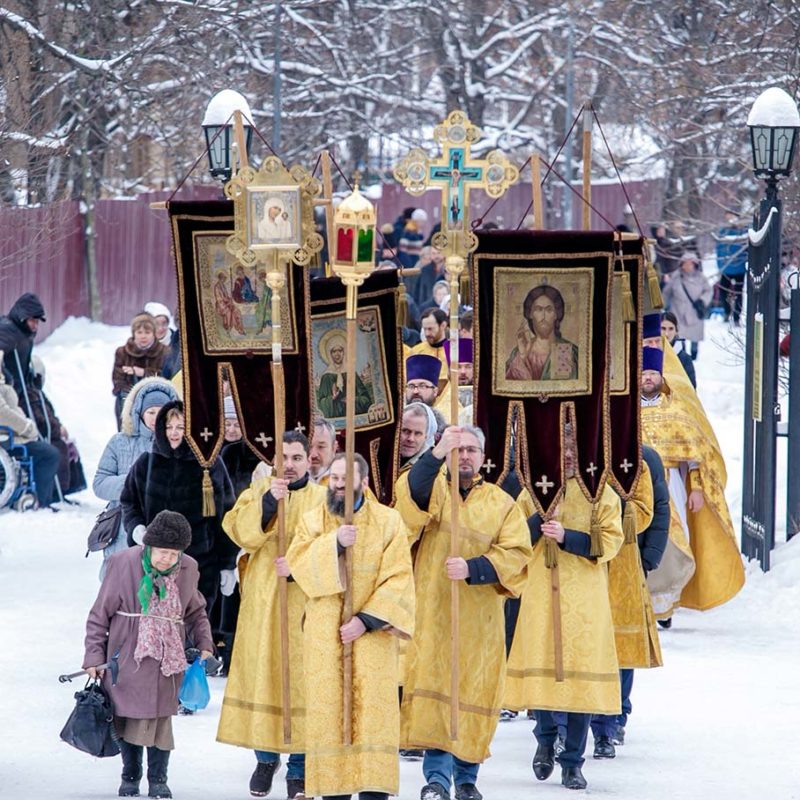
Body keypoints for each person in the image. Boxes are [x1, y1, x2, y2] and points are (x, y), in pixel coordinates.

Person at [394, 425, 531, 800]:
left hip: (480, 619)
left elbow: (519, 554)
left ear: (484, 457)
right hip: (434, 612)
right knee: (437, 692)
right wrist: (437, 453)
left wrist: (476, 568)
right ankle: (436, 778)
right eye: (459, 450)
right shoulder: (436, 489)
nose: (465, 457)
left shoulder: (503, 503)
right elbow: (410, 499)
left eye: (472, 450)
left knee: (473, 693)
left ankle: (467, 777)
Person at [286, 452, 415, 800]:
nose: (339, 484)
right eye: (335, 477)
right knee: (330, 717)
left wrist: (366, 620)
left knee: (373, 717)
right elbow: (297, 562)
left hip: (373, 637)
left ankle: (374, 791)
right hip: (325, 637)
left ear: (365, 481)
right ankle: (333, 791)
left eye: (347, 477)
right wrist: (334, 545)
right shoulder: (314, 520)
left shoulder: (389, 522)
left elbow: (400, 578)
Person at [504, 424, 624, 791]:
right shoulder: (535, 488)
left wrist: (568, 537)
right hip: (541, 589)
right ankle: (544, 741)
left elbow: (611, 541)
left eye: (573, 447)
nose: (568, 454)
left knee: (580, 679)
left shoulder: (600, 492)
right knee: (543, 669)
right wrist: (536, 524)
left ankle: (573, 760)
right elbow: (512, 538)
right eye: (562, 447)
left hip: (584, 595)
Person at [217, 431, 327, 800]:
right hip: (264, 601)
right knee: (264, 674)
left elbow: (333, 549)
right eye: (285, 457)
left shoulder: (324, 498)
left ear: (309, 459)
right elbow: (235, 528)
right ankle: (265, 758)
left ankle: (299, 765)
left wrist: (300, 567)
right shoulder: (260, 488)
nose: (291, 464)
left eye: (298, 457)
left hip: (305, 602)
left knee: (303, 680)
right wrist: (267, 504)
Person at [83, 510, 214, 799]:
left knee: (160, 720)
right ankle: (130, 775)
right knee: (126, 717)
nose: (168, 560)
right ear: (148, 547)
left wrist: (205, 642)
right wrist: (93, 656)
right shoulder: (123, 563)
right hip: (127, 653)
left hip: (167, 658)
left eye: (174, 554)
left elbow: (195, 610)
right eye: (162, 553)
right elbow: (98, 615)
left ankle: (158, 779)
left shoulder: (188, 569)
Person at [640, 346, 744, 622]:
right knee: (644, 539)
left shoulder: (677, 409)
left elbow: (695, 457)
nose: (648, 378)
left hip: (672, 483)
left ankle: (667, 604)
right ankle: (644, 601)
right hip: (640, 484)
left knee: (676, 541)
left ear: (661, 377)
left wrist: (696, 488)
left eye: (652, 373)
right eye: (643, 374)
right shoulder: (627, 412)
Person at [120, 400, 237, 613]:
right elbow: (129, 502)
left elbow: (226, 516)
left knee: (194, 632)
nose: (174, 433)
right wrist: (135, 527)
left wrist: (228, 563)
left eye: (181, 427)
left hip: (200, 565)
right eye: (168, 427)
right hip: (153, 565)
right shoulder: (146, 463)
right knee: (154, 632)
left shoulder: (210, 465)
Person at [589, 445, 669, 758]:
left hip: (625, 561)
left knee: (620, 643)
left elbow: (657, 509)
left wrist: (648, 558)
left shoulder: (641, 458)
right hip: (583, 560)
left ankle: (612, 720)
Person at [93, 378, 177, 577]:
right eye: (151, 412)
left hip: (165, 530)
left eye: (162, 411)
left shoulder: (179, 445)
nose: (157, 418)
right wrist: (132, 483)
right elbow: (100, 483)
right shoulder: (119, 442)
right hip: (124, 530)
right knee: (121, 590)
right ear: (139, 411)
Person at [0, 350, 60, 509]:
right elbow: (3, 413)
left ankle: (43, 498)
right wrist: (27, 427)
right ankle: (41, 501)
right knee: (50, 454)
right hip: (8, 437)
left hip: (12, 434)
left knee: (52, 450)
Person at [28, 354, 86, 497]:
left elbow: (50, 414)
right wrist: (56, 430)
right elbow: (39, 420)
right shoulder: (30, 395)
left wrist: (58, 425)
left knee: (69, 446)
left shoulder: (38, 394)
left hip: (50, 430)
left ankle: (66, 489)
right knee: (59, 447)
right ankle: (55, 491)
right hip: (42, 433)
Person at [505, 284, 578, 381]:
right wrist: (522, 357)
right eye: (538, 309)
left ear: (556, 314)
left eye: (549, 310)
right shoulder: (518, 352)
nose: (543, 316)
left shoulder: (566, 349)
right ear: (530, 314)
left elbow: (562, 390)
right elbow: (508, 386)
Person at [112, 312, 168, 430]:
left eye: (147, 332)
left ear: (154, 333)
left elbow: (167, 377)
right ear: (134, 334)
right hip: (128, 403)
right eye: (139, 332)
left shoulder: (164, 352)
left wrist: (143, 373)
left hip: (157, 402)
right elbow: (117, 380)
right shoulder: (122, 352)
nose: (143, 336)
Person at [660, 251, 712, 360]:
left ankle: (694, 354)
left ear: (695, 264)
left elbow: (708, 291)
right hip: (678, 310)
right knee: (679, 335)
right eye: (685, 263)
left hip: (694, 311)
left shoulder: (701, 278)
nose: (688, 266)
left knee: (694, 335)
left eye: (690, 263)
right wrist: (662, 304)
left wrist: (702, 301)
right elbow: (667, 292)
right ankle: (682, 355)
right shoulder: (676, 277)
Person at [317, 331, 375, 419]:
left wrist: (354, 399)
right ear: (329, 354)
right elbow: (320, 404)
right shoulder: (326, 377)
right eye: (334, 351)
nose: (337, 354)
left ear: (344, 352)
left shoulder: (351, 373)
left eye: (340, 350)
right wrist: (332, 398)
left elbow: (366, 399)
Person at [0, 292, 46, 401]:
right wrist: (5, 377)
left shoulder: (25, 333)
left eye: (37, 321)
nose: (35, 325)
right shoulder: (7, 331)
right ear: (22, 317)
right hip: (5, 395)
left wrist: (31, 377)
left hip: (18, 393)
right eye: (32, 321)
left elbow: (18, 364)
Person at [219, 395, 261, 499]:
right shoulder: (210, 450)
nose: (231, 430)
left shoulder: (253, 453)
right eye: (227, 424)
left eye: (237, 425)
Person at [405, 353, 462, 425]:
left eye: (422, 386)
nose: (415, 391)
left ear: (435, 391)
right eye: (411, 386)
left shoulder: (446, 423)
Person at [714, 211, 748, 325]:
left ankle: (737, 317)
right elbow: (718, 250)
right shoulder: (723, 232)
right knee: (723, 292)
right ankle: (727, 311)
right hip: (726, 268)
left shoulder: (743, 232)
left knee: (738, 294)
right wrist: (720, 266)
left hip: (739, 268)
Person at [144, 302, 181, 380]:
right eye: (156, 324)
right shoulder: (138, 346)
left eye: (164, 323)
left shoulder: (177, 344)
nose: (161, 328)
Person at [409, 308, 449, 380]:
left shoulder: (455, 350)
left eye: (430, 329)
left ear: (443, 325)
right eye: (425, 329)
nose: (427, 333)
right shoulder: (416, 351)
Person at [660, 311, 696, 387]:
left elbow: (691, 389)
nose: (667, 333)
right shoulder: (650, 354)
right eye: (663, 328)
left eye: (671, 329)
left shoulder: (685, 358)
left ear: (676, 331)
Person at [398, 402, 437, 471]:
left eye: (418, 434)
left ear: (426, 437)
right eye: (406, 431)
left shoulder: (430, 470)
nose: (411, 439)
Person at [309, 417, 339, 485]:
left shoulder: (351, 482)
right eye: (309, 447)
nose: (313, 454)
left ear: (333, 448)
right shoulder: (290, 482)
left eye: (321, 447)